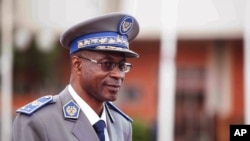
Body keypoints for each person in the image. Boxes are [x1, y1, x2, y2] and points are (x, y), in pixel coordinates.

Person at [12, 12, 140, 141]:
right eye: (107, 64)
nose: (118, 75)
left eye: (122, 66)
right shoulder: (38, 122)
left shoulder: (122, 125)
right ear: (78, 64)